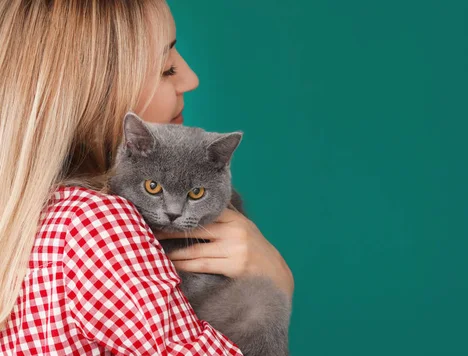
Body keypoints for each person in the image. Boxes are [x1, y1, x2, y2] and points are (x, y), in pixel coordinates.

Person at [0, 1, 293, 354]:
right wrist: (276, 284)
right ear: (98, 89)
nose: (191, 78)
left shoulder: (38, 221)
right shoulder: (95, 224)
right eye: (167, 68)